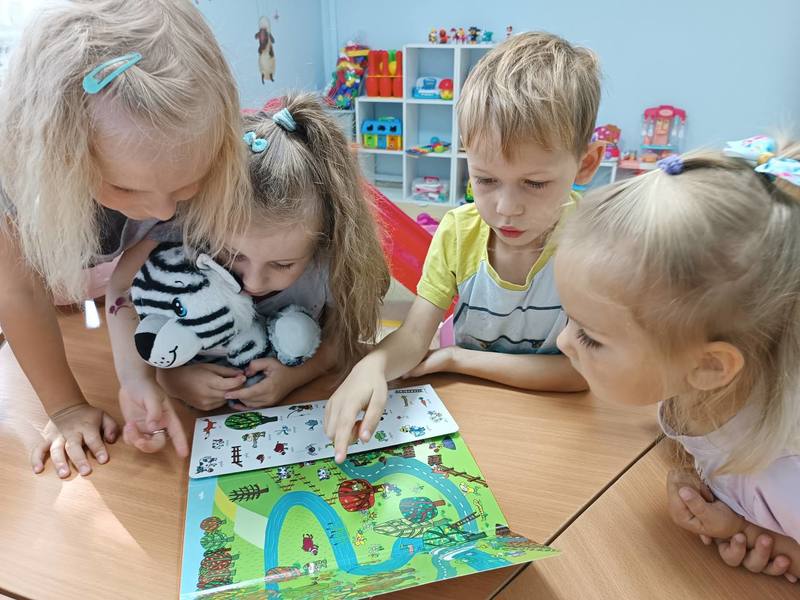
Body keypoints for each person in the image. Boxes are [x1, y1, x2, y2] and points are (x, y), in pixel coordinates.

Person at [324, 32, 605, 462]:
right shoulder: (458, 232)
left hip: (557, 427)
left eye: (534, 183)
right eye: (486, 179)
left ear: (586, 164)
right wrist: (372, 365)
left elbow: (577, 374)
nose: (506, 208)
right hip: (467, 417)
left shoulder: (593, 243)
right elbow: (414, 335)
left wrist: (457, 359)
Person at [0, 0, 249, 477]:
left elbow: (141, 283)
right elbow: (19, 294)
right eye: (127, 188)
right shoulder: (15, 170)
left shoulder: (184, 155)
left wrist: (153, 374)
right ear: (62, 157)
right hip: (40, 290)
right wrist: (66, 408)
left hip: (106, 288)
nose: (163, 211)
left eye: (185, 185)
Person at [554, 137, 800, 580]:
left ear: (709, 367)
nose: (562, 342)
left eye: (589, 336)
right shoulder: (691, 394)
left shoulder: (787, 475)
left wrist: (753, 534)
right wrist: (693, 479)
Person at [107, 93, 390, 454]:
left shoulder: (333, 264)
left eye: (283, 265)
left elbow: (342, 339)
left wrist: (296, 376)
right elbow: (121, 288)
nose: (253, 282)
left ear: (324, 243)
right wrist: (164, 376)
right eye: (232, 254)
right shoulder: (181, 234)